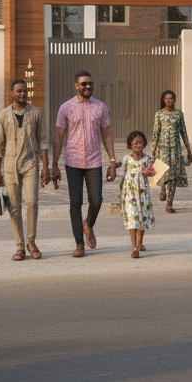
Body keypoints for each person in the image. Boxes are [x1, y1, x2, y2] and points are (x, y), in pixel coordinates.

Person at [52, 70, 117, 258]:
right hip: (72, 161)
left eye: (90, 83)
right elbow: (58, 137)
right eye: (84, 84)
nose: (88, 86)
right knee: (75, 202)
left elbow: (106, 134)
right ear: (76, 86)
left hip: (94, 160)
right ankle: (79, 243)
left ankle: (88, 224)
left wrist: (112, 161)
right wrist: (54, 164)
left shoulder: (100, 107)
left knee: (96, 200)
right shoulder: (66, 108)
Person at [0, 79, 49, 261]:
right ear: (12, 93)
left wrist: (45, 167)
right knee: (15, 208)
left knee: (32, 202)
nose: (23, 94)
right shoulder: (3, 115)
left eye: (25, 91)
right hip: (9, 167)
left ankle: (31, 242)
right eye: (19, 91)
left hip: (31, 164)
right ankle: (19, 247)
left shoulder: (36, 113)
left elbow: (43, 140)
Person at [151, 89, 192, 213]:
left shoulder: (179, 114)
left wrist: (188, 151)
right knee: (164, 172)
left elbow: (183, 132)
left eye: (171, 98)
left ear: (174, 100)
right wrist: (153, 151)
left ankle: (169, 204)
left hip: (175, 150)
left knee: (173, 176)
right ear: (163, 100)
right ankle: (162, 188)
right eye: (166, 98)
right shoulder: (159, 114)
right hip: (163, 149)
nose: (169, 100)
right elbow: (155, 133)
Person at [118, 131, 155, 258]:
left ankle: (139, 243)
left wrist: (150, 173)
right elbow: (121, 175)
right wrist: (121, 194)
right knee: (132, 219)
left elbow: (155, 171)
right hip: (129, 194)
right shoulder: (126, 159)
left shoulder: (148, 158)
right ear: (130, 145)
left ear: (144, 143)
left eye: (140, 143)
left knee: (142, 217)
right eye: (135, 143)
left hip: (143, 193)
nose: (138, 145)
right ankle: (134, 248)